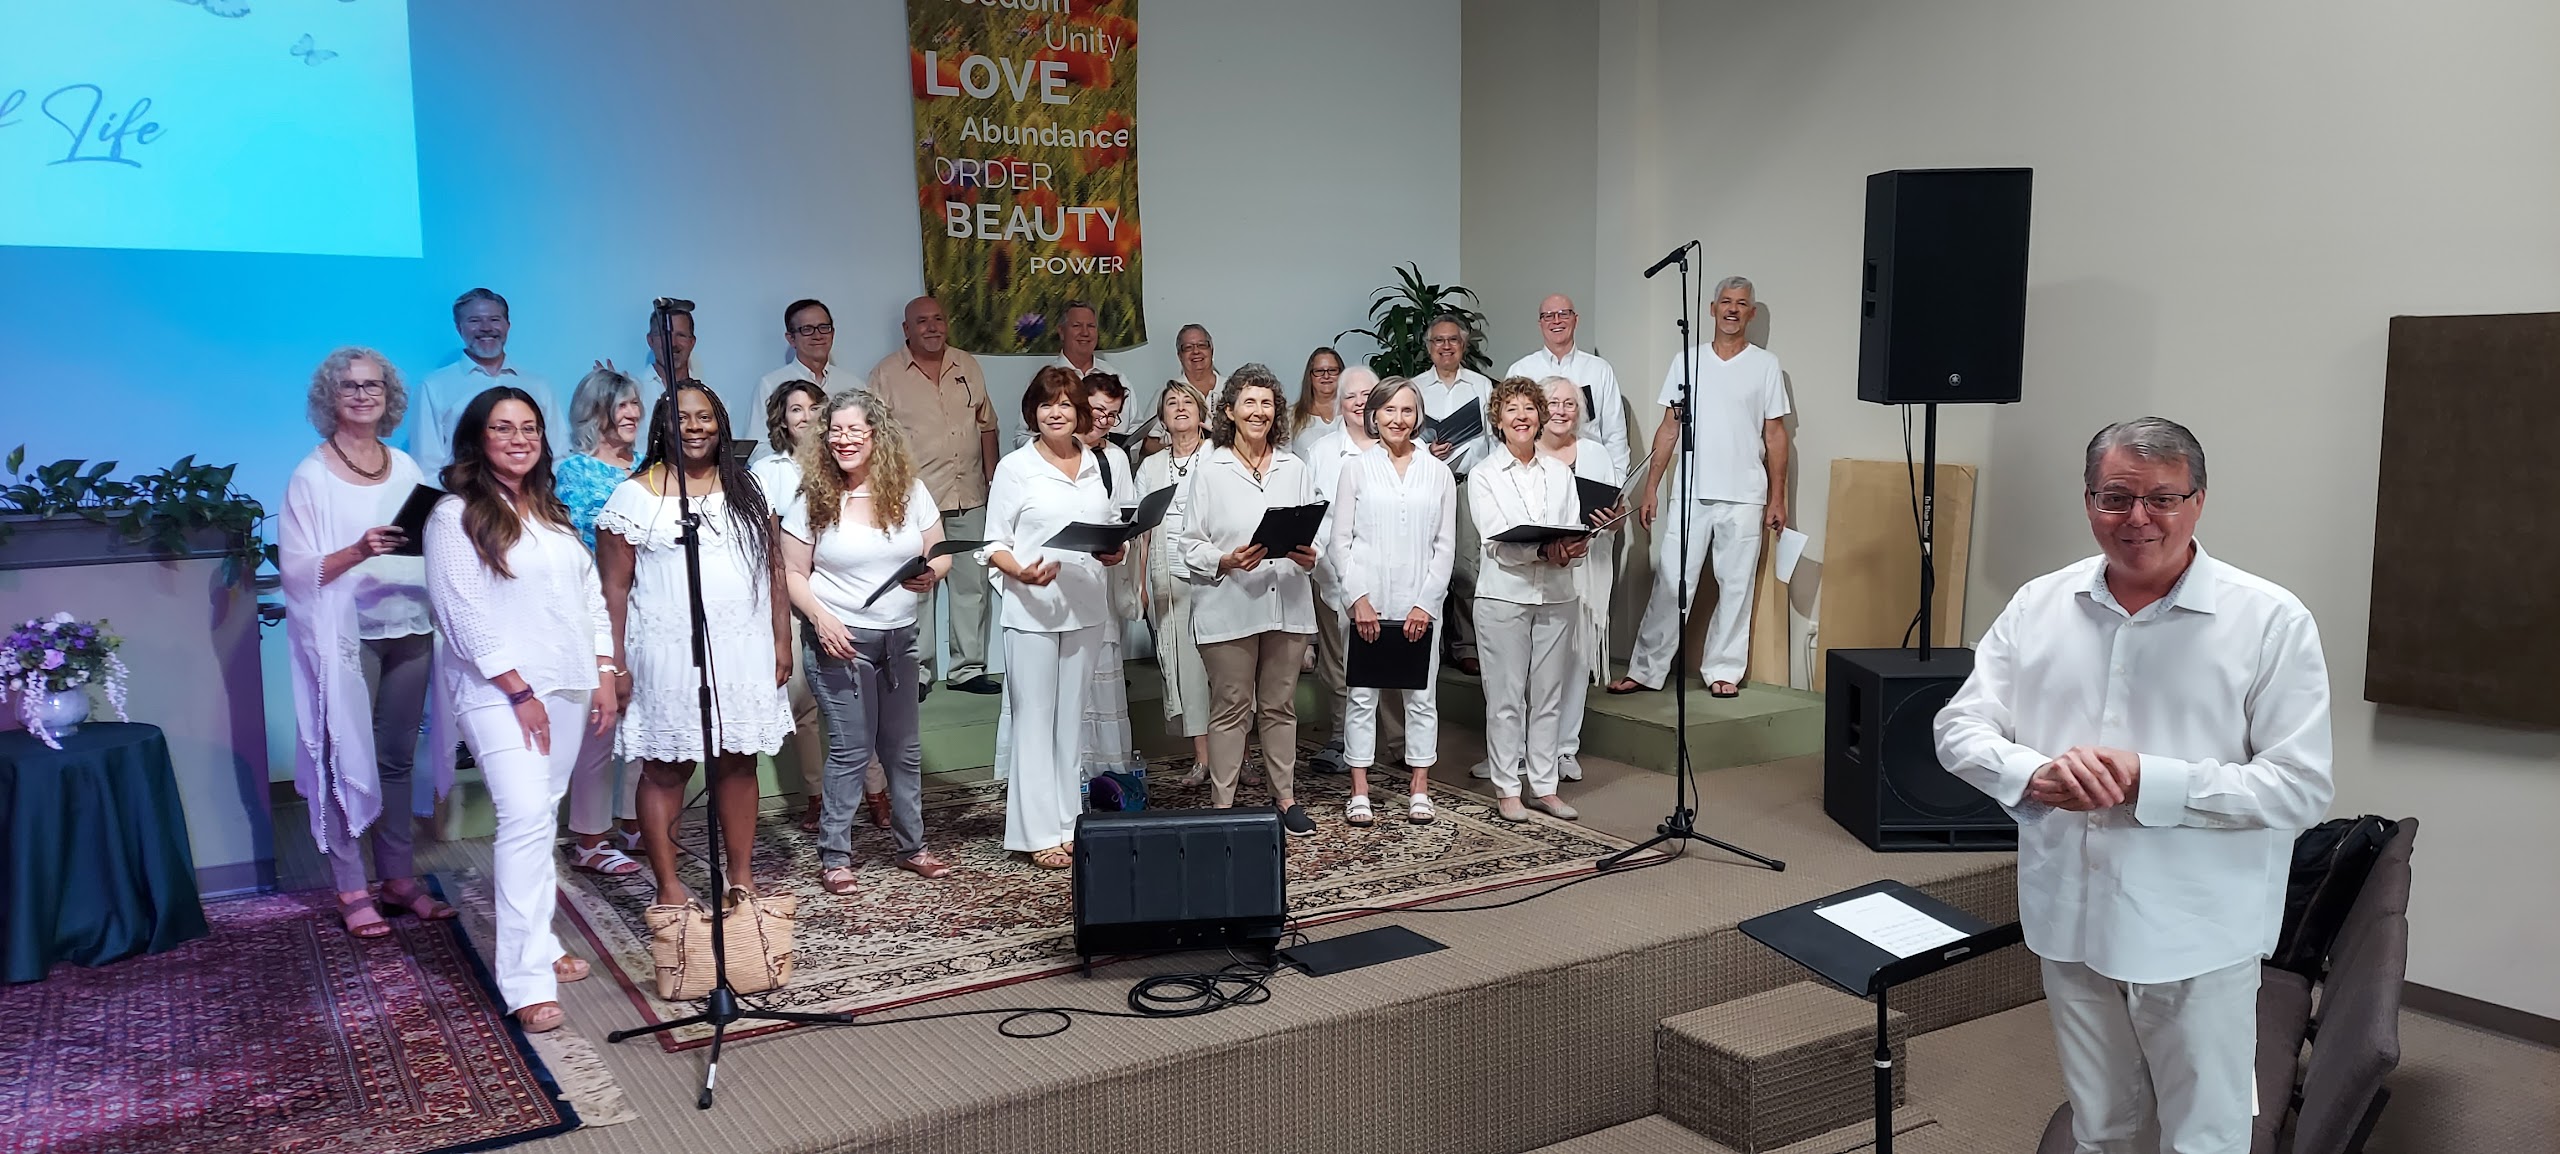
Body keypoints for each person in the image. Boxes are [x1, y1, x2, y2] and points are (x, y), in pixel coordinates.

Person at [1935, 418, 2333, 1154]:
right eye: (2115, 497)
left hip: (2197, 933)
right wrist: (2035, 772)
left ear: (2199, 501)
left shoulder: (2270, 621)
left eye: (2162, 498)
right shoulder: (2038, 605)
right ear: (2088, 500)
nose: (2138, 519)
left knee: (2203, 1137)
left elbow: (2300, 788)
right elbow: (1958, 729)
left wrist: (2150, 781)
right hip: (2070, 918)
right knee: (2101, 1128)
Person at [422, 385, 617, 1034]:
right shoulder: (454, 515)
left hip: (566, 685)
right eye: (503, 428)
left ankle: (545, 942)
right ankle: (525, 979)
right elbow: (463, 615)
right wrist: (518, 691)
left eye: (529, 427)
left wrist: (606, 671)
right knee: (526, 816)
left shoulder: (551, 514)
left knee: (540, 822)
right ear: (478, 438)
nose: (519, 438)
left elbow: (589, 597)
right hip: (497, 691)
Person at [597, 382, 793, 906]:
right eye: (682, 418)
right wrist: (612, 662)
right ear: (663, 426)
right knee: (666, 767)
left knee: (736, 761)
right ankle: (668, 886)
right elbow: (613, 589)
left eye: (705, 416)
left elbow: (774, 569)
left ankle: (742, 877)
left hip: (741, 647)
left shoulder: (749, 488)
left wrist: (781, 637)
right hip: (667, 654)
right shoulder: (633, 497)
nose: (695, 426)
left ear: (721, 423)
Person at [281, 347, 455, 938]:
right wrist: (359, 549)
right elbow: (298, 573)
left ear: (389, 396)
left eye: (373, 385)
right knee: (343, 756)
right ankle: (352, 887)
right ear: (330, 395)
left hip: (410, 623)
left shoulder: (405, 465)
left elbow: (425, 542)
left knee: (396, 759)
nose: (363, 395)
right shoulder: (311, 475)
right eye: (350, 386)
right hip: (348, 634)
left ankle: (400, 881)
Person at [782, 390, 955, 889]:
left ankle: (912, 847)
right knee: (852, 751)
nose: (845, 439)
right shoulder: (812, 498)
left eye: (856, 429)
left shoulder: (910, 490)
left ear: (877, 435)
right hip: (841, 641)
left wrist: (934, 573)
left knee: (903, 750)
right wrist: (820, 618)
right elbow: (792, 571)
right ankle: (835, 855)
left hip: (899, 638)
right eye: (835, 431)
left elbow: (938, 550)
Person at [1611, 276, 1789, 699]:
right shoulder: (1686, 361)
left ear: (1752, 312)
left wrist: (1778, 496)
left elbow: (1776, 435)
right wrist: (1651, 487)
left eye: (1741, 303)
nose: (1732, 309)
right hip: (1690, 492)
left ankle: (1723, 670)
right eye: (1725, 302)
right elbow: (1669, 428)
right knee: (1672, 583)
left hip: (1746, 494)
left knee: (1736, 587)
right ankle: (1646, 670)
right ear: (1711, 310)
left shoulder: (1766, 365)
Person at [982, 366, 1125, 869]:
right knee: (1034, 722)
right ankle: (1034, 831)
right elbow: (993, 542)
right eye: (1047, 404)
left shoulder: (1094, 463)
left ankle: (1068, 823)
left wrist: (1116, 550)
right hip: (1032, 611)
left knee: (1071, 725)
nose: (1056, 412)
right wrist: (1019, 571)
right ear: (1033, 413)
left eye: (1065, 404)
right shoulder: (1015, 468)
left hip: (1085, 606)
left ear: (1079, 411)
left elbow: (1107, 529)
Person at [1171, 365, 1321, 837]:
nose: (1259, 411)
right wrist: (1226, 559)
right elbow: (1188, 544)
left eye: (1267, 403)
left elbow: (1318, 531)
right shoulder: (1208, 468)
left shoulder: (1294, 467)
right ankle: (1223, 805)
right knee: (1232, 705)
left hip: (1287, 601)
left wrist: (1311, 554)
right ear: (1230, 411)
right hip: (1229, 603)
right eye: (1249, 403)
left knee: (1279, 705)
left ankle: (1286, 798)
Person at [1324, 374, 1455, 826]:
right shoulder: (1356, 468)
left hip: (1419, 602)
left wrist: (1426, 603)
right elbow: (1340, 542)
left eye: (1407, 410)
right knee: (1362, 696)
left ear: (1418, 417)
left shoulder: (1438, 473)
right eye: (1389, 410)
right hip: (1368, 603)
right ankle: (1359, 786)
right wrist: (1358, 599)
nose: (1398, 419)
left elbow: (1445, 545)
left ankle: (1420, 784)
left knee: (1421, 696)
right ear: (1373, 415)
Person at [754, 379, 876, 833]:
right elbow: (770, 546)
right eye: (795, 409)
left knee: (861, 701)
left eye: (812, 408)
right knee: (803, 705)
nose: (804, 416)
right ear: (781, 419)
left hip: (844, 599)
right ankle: (815, 795)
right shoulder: (769, 471)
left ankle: (876, 791)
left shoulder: (846, 467)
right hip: (793, 597)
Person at [867, 295, 1002, 695]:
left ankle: (968, 670)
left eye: (938, 319)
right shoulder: (886, 374)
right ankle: (918, 673)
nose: (931, 327)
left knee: (972, 587)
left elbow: (987, 425)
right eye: (921, 321)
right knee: (919, 590)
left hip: (969, 494)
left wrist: (992, 478)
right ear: (906, 329)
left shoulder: (967, 365)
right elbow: (874, 438)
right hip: (915, 504)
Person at [1470, 376, 1587, 822]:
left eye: (1529, 408)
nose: (1522, 416)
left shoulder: (1560, 472)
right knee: (1504, 697)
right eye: (1511, 409)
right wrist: (1541, 550)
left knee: (1549, 694)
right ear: (1498, 421)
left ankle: (1544, 786)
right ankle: (1506, 788)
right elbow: (1494, 541)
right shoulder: (1483, 475)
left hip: (1557, 594)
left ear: (1540, 417)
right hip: (1505, 596)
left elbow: (1573, 529)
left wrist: (1571, 549)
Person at [554, 367, 647, 876]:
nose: (632, 413)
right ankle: (590, 836)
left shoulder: (653, 467)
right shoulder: (576, 471)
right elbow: (578, 547)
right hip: (597, 606)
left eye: (635, 403)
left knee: (644, 722)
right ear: (596, 412)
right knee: (602, 722)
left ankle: (635, 822)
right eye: (621, 404)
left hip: (652, 607)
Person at [1304, 365, 1405, 775]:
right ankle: (1343, 738)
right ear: (1339, 404)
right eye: (1351, 397)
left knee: (1394, 662)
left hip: (1393, 579)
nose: (1361, 402)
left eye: (1369, 395)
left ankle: (1399, 741)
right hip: (1334, 575)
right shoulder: (1321, 453)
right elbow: (1314, 517)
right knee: (1339, 663)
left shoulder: (1397, 448)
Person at [1537, 375, 1629, 783]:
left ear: (1580, 411)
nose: (1560, 410)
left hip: (1588, 568)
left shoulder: (1595, 453)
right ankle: (1526, 749)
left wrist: (1614, 519)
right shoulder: (1526, 451)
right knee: (1535, 663)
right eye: (1552, 402)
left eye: (1569, 404)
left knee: (1577, 659)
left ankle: (1564, 748)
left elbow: (1616, 510)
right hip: (1540, 568)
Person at [1135, 381, 1215, 778]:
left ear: (1203, 414)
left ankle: (1241, 754)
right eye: (1171, 403)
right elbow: (1143, 532)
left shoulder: (1220, 457)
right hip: (1171, 578)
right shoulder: (1151, 467)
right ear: (1162, 419)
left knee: (1229, 669)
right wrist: (1140, 584)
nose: (1180, 407)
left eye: (1188, 401)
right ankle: (1203, 757)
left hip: (1218, 577)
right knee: (1189, 670)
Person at [1416, 315, 1495, 675]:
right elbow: (1402, 436)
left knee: (1466, 565)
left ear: (1463, 346)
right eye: (1438, 341)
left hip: (1467, 483)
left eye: (1453, 340)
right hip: (1427, 486)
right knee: (1425, 564)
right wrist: (1425, 452)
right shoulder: (1414, 388)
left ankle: (1466, 645)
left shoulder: (1481, 386)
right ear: (1428, 347)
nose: (1445, 347)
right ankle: (1427, 641)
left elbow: (1495, 441)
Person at [1076, 371, 1145, 781]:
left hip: (1101, 577)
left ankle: (1105, 769)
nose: (1103, 421)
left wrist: (1124, 537)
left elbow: (1124, 511)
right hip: (1062, 577)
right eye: (1098, 410)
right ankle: (1069, 773)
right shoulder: (1055, 453)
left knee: (1101, 669)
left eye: (1113, 415)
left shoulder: (1115, 458)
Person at [409, 288, 558, 478]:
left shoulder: (539, 386)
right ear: (459, 327)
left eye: (495, 319)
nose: (486, 327)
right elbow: (427, 466)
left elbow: (557, 454)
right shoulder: (434, 387)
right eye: (475, 320)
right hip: (464, 501)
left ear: (508, 325)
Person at [1505, 295, 1631, 480]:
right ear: (1540, 323)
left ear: (1575, 319)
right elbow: (1509, 431)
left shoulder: (1599, 370)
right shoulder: (1521, 370)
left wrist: (1617, 485)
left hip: (1591, 472)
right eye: (1548, 316)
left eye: (1564, 314)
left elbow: (1615, 433)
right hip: (1536, 474)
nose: (1556, 320)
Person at [756, 298, 857, 415]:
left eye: (824, 327)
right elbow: (758, 433)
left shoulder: (853, 386)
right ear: (791, 339)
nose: (818, 336)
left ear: (832, 333)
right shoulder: (770, 386)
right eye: (807, 329)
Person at [1051, 300, 1125, 382]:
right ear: (1061, 331)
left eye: (1090, 326)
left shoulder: (1115, 377)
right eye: (1077, 326)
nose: (1085, 333)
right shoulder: (1047, 381)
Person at [1289, 346, 1346, 453]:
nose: (1326, 376)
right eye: (1319, 371)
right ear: (1310, 376)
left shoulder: (1354, 413)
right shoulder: (1291, 416)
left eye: (1332, 370)